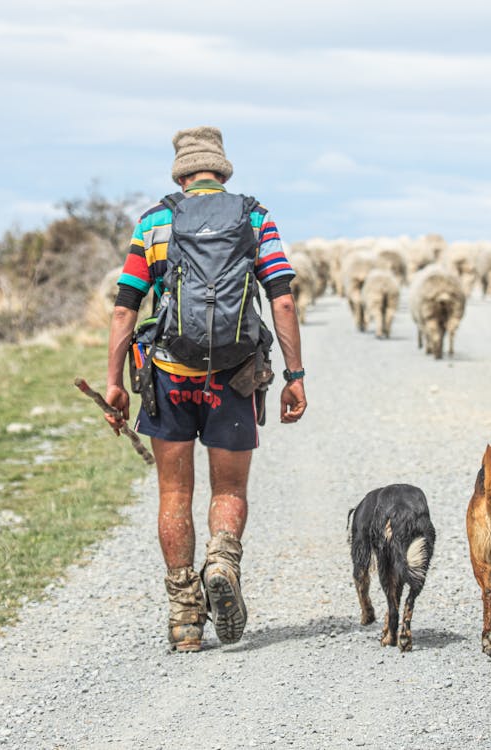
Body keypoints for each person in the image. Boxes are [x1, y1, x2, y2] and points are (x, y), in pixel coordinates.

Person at [104, 126, 307, 652]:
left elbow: (126, 306)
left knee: (174, 492)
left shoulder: (155, 220)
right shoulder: (254, 216)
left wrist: (112, 383)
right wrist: (295, 376)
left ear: (182, 172)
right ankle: (221, 559)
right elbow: (281, 299)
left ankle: (185, 618)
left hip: (168, 376)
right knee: (229, 491)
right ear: (222, 170)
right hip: (233, 378)